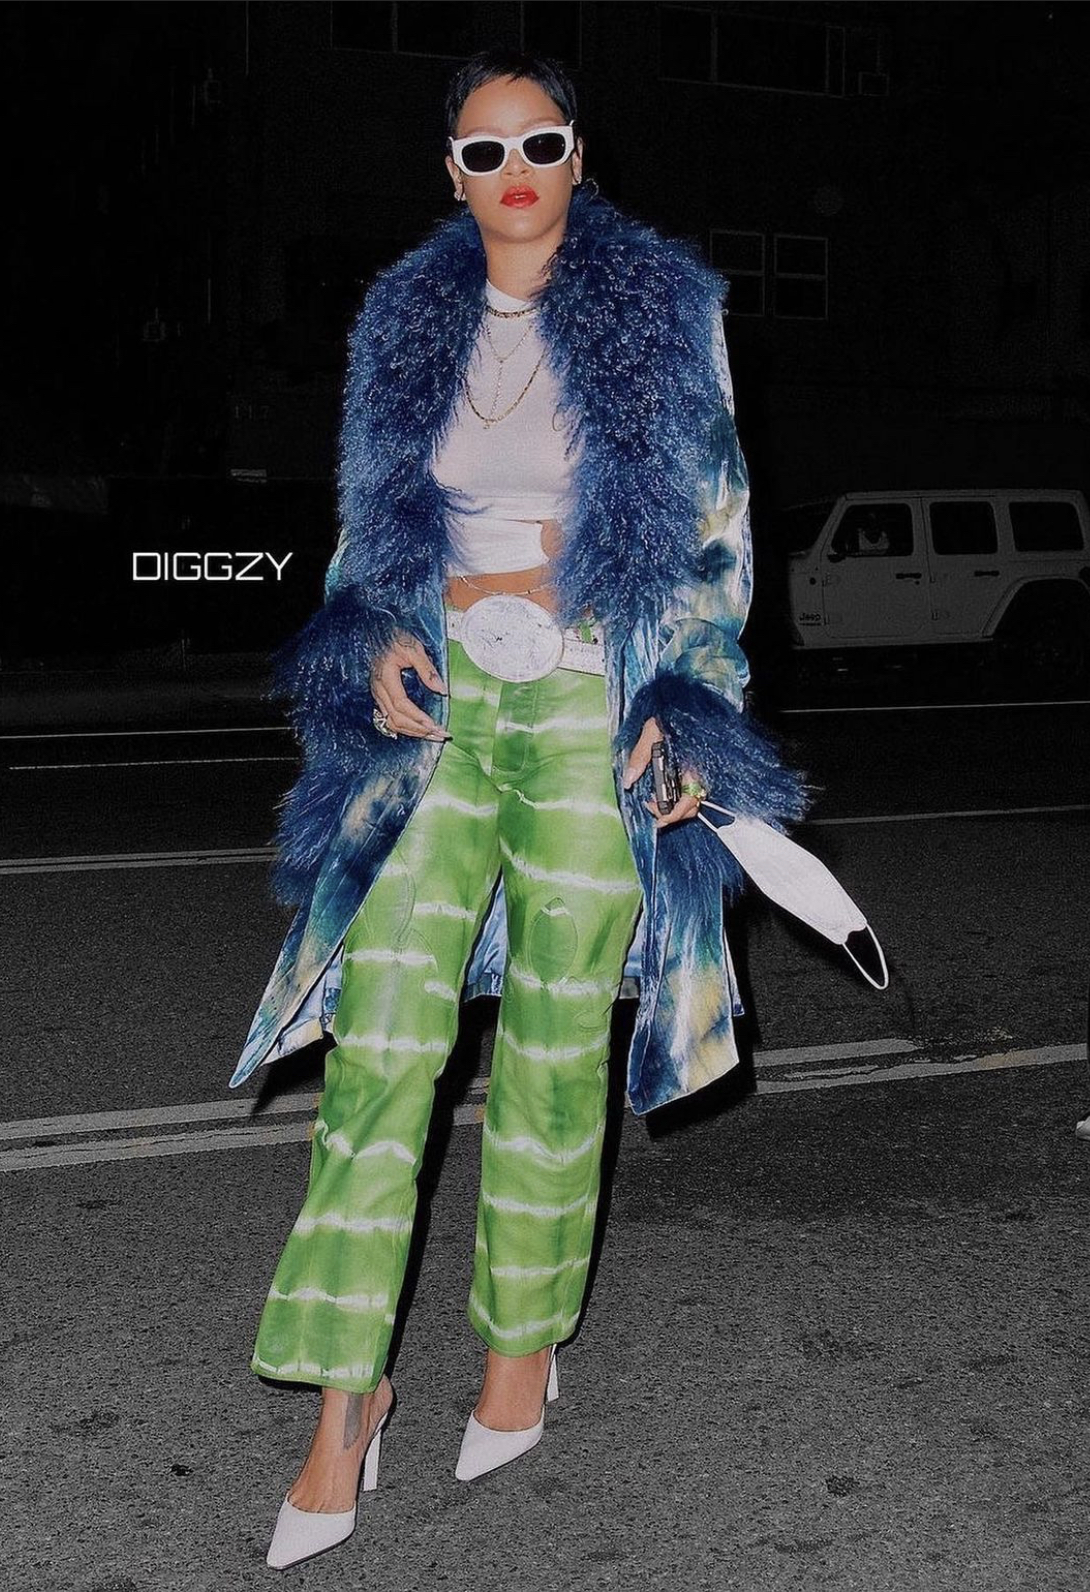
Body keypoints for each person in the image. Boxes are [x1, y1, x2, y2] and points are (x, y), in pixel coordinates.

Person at [228, 47, 808, 1570]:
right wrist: (372, 635)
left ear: (576, 153)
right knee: (381, 1042)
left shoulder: (664, 309)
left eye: (539, 143)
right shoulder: (401, 322)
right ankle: (345, 1401)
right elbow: (364, 531)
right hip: (444, 708)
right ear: (452, 173)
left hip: (589, 698)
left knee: (557, 1041)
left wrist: (689, 704)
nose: (515, 174)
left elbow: (716, 532)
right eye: (484, 153)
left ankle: (519, 1345)